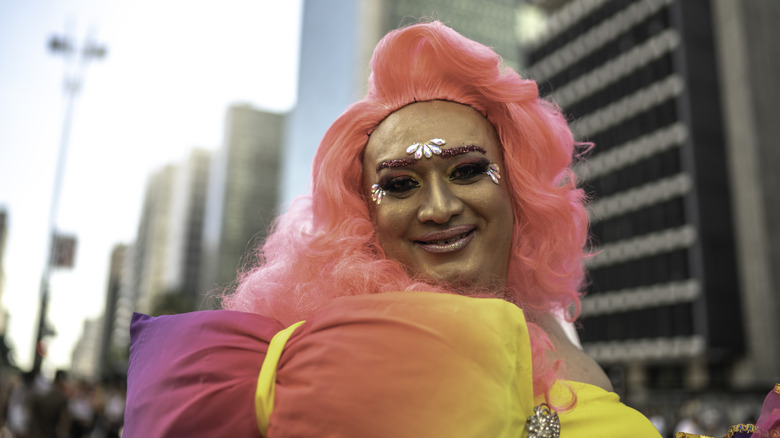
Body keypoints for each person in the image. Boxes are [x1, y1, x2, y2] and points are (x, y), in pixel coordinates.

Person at [125, 22, 663, 437]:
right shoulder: (321, 355)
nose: (439, 208)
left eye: (468, 171)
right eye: (401, 184)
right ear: (363, 217)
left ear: (517, 190)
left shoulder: (553, 335)